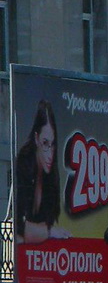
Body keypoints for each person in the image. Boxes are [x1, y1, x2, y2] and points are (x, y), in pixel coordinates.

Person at [14, 100, 67, 243]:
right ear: (36, 139)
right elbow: (18, 228)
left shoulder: (51, 175)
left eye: (53, 144)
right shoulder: (24, 162)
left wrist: (37, 232)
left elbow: (44, 225)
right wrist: (48, 232)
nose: (50, 153)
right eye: (45, 143)